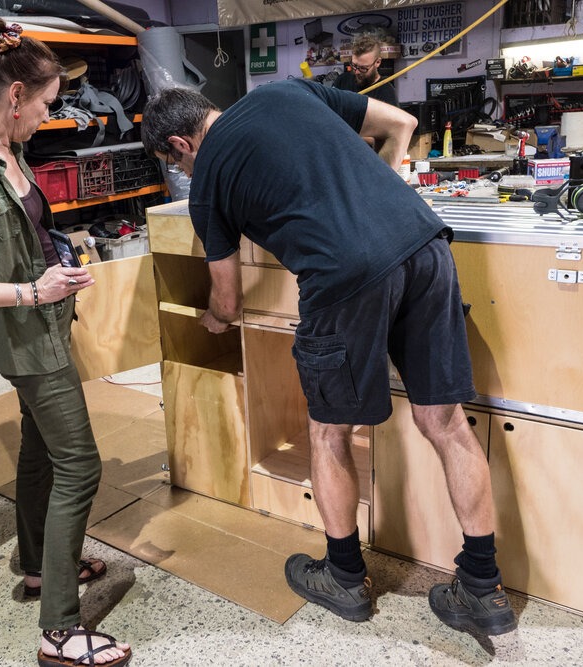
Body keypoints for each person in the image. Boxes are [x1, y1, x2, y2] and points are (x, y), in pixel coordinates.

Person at [141, 82, 517, 637]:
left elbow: (228, 298)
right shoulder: (287, 91)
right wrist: (372, 205)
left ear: (181, 143)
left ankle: (343, 578)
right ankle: (483, 587)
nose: (184, 176)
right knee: (445, 421)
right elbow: (402, 125)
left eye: (176, 164)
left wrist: (213, 322)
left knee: (328, 432)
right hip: (423, 241)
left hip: (346, 277)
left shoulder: (209, 182)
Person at [0, 18, 131, 667]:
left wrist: (55, 272)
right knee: (81, 465)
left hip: (39, 324)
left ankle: (41, 564)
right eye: (43, 105)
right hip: (25, 337)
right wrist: (33, 294)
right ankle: (60, 629)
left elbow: (25, 239)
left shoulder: (5, 151)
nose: (48, 115)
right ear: (15, 96)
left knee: (41, 447)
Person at [332, 34, 397, 105]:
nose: (356, 72)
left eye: (363, 68)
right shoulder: (342, 80)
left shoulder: (386, 92)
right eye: (354, 65)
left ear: (377, 62)